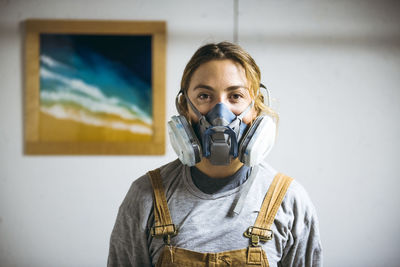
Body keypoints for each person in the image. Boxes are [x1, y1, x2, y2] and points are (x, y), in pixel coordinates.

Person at [108, 41, 322, 266]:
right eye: (204, 96)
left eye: (236, 96)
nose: (221, 113)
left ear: (256, 107)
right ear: (184, 106)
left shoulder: (289, 201)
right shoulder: (146, 196)